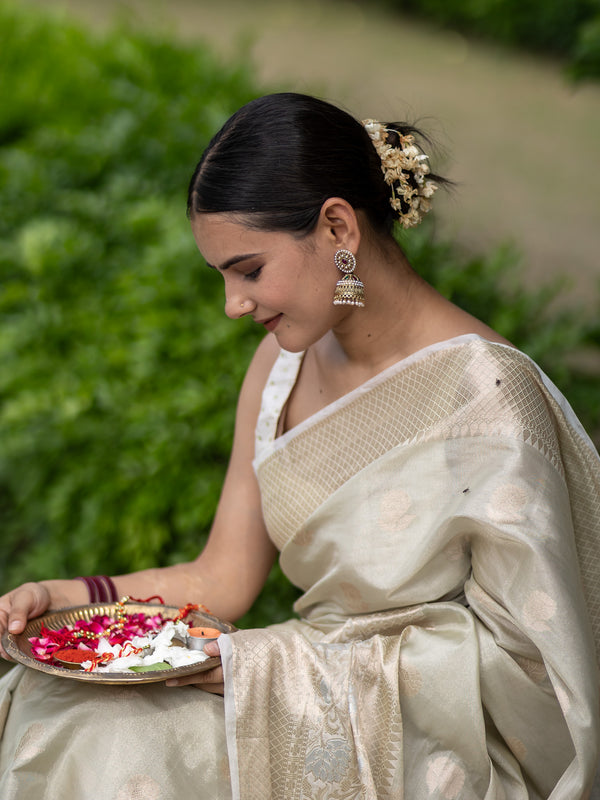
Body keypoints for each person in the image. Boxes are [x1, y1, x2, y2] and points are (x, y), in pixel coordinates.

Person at [1, 92, 599, 800]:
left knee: (120, 748)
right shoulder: (282, 367)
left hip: (432, 750)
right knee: (67, 709)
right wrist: (66, 599)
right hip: (300, 689)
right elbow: (222, 578)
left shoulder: (489, 397)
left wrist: (269, 670)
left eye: (248, 270)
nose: (233, 304)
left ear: (338, 227)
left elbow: (530, 671)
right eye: (221, 276)